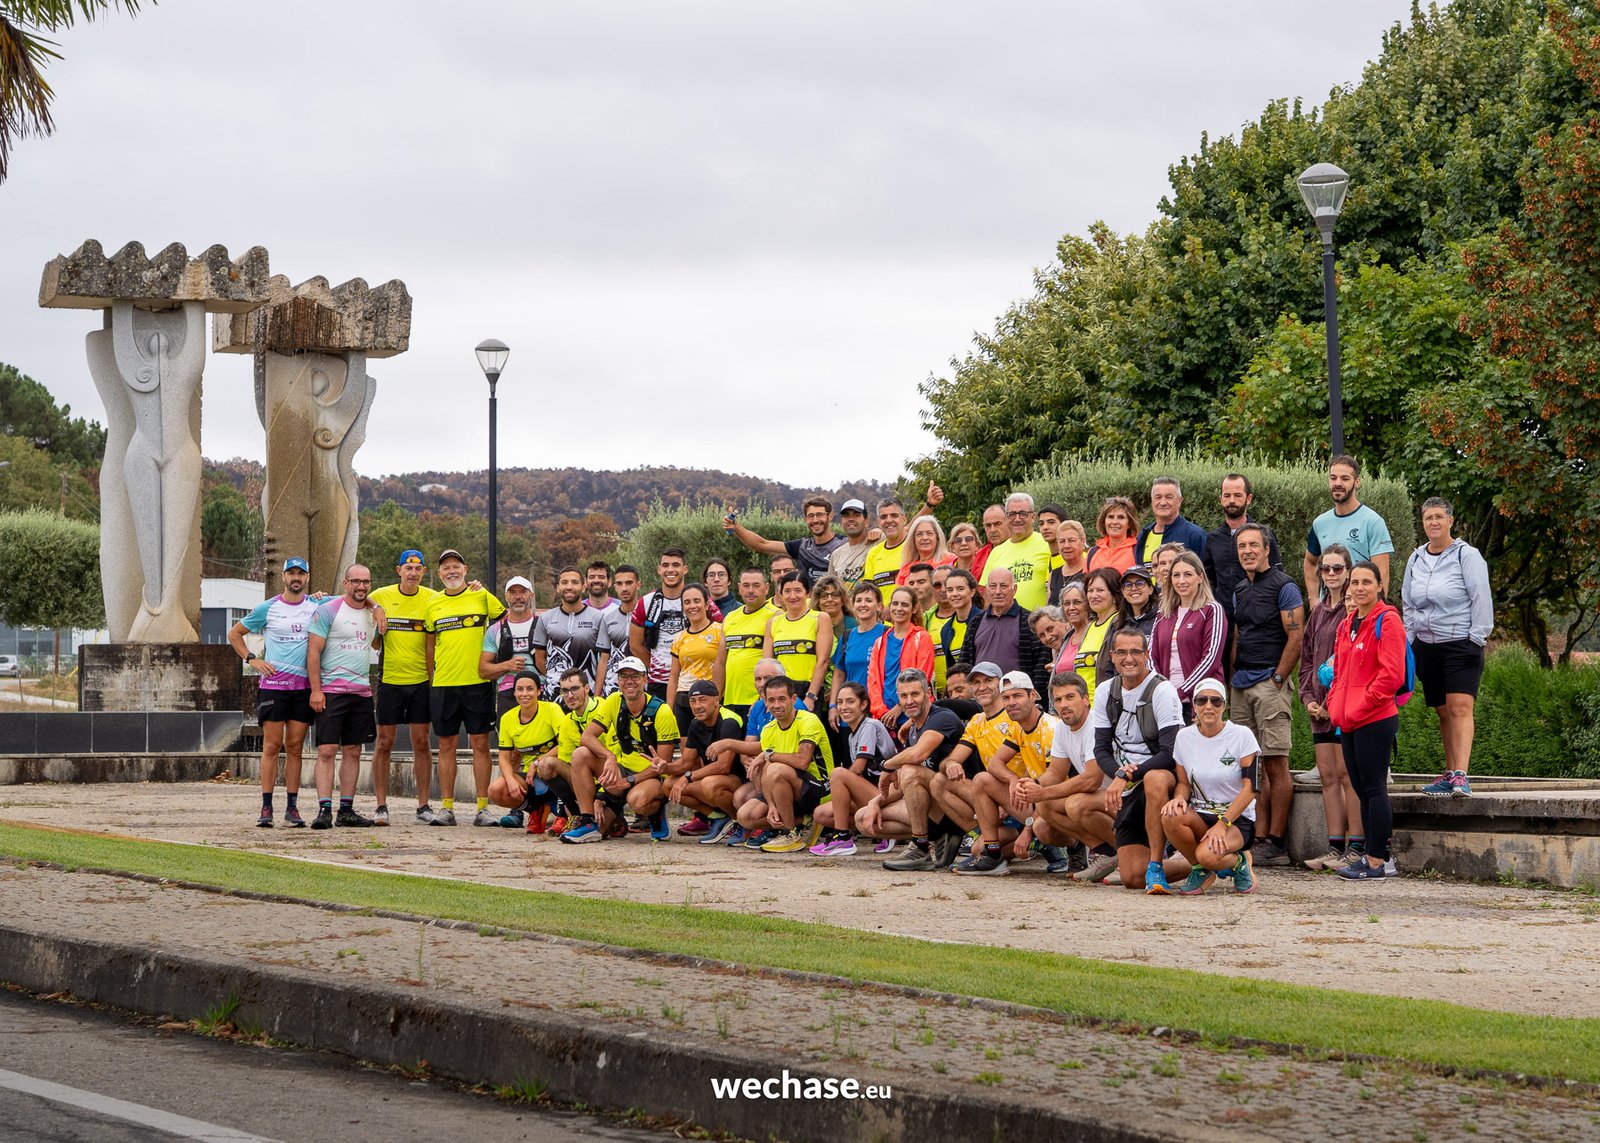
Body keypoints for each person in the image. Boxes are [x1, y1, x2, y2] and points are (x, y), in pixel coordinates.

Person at [1404, 497, 1494, 799]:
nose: (1433, 522)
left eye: (1439, 517)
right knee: (1442, 711)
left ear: (1450, 521)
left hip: (1460, 643)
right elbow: (1408, 602)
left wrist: (1477, 637)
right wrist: (1410, 638)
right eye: (1428, 517)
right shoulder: (1416, 558)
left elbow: (1481, 596)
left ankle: (1461, 775)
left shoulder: (1466, 555)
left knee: (1459, 707)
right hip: (1426, 645)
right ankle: (1449, 771)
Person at [1228, 523, 1303, 866]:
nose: (1247, 551)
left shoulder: (1285, 586)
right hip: (1241, 685)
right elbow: (1238, 635)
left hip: (1269, 682)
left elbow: (1296, 635)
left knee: (1275, 763)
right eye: (1242, 546)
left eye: (1253, 545)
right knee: (1249, 766)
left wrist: (1278, 678)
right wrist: (1231, 678)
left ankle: (1275, 840)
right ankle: (1255, 836)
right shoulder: (1240, 588)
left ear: (1267, 548)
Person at [1093, 628, 1188, 893]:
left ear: (1146, 655)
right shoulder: (1105, 691)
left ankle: (1157, 865)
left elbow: (1170, 752)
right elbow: (1100, 749)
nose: (1129, 658)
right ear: (1112, 656)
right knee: (1132, 878)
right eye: (1122, 652)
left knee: (1154, 779)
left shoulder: (1162, 690)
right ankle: (1205, 864)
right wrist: (1118, 774)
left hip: (1160, 775)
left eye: (1136, 652)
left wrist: (1124, 776)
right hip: (1129, 782)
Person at [1329, 561, 1408, 880]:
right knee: (1361, 788)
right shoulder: (1347, 622)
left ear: (1379, 586)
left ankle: (1377, 860)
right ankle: (1372, 856)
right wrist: (1336, 705)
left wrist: (1363, 704)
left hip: (1375, 718)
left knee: (1375, 788)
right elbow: (1338, 673)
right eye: (1355, 582)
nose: (1359, 588)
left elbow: (1391, 675)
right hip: (1347, 719)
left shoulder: (1388, 621)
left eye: (1366, 582)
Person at [232, 556, 319, 829]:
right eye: (291, 573)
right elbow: (235, 633)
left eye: (300, 574)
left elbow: (352, 598)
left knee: (295, 748)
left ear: (306, 578)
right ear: (283, 577)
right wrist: (252, 659)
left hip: (302, 687)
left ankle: (292, 807)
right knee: (271, 746)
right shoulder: (268, 608)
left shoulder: (316, 606)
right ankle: (266, 806)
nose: (296, 578)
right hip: (274, 687)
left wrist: (376, 607)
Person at [424, 549, 507, 827]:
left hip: (477, 683)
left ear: (465, 569)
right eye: (446, 567)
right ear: (439, 574)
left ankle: (482, 808)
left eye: (456, 566)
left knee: (480, 744)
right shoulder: (433, 604)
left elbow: (507, 621)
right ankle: (447, 808)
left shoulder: (481, 596)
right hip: (445, 684)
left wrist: (498, 661)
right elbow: (430, 645)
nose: (451, 571)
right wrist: (432, 677)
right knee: (446, 745)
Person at [561, 656, 681, 843]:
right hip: (622, 770)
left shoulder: (662, 711)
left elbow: (662, 767)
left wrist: (628, 781)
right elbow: (587, 737)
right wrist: (608, 756)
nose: (629, 681)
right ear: (618, 681)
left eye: (635, 676)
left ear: (645, 679)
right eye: (624, 676)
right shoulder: (614, 701)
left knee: (638, 800)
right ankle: (587, 822)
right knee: (580, 754)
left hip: (649, 776)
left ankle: (655, 813)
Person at [953, 672, 1062, 876]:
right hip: (1033, 799)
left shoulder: (1051, 728)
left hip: (1056, 802)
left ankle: (1062, 848)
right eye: (1006, 697)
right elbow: (995, 764)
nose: (1011, 702)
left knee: (1040, 826)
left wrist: (1028, 830)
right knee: (982, 779)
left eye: (1017, 696)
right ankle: (992, 855)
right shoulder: (1019, 727)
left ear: (1033, 695)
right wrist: (1011, 779)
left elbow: (1054, 786)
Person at [1160, 678, 1259, 894]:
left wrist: (1223, 824)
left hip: (1235, 819)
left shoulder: (1242, 736)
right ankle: (1200, 869)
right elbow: (1184, 784)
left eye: (1216, 701)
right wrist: (1178, 798)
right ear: (1194, 705)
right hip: (1201, 814)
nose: (1208, 706)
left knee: (1208, 855)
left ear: (1224, 706)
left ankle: (1238, 861)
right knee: (1170, 814)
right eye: (1202, 700)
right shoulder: (1184, 737)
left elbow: (1250, 788)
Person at [1299, 544, 1364, 869]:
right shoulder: (1318, 612)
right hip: (1318, 710)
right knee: (1327, 777)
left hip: (1345, 708)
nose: (1332, 574)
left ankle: (1356, 846)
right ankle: (1335, 846)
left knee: (1348, 774)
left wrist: (1329, 702)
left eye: (1338, 568)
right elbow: (1308, 660)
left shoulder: (1354, 611)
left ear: (1349, 571)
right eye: (1326, 568)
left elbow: (1352, 664)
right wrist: (1309, 699)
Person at [864, 669, 968, 870]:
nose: (909, 700)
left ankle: (920, 847)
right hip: (936, 807)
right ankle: (939, 837)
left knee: (910, 770)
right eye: (904, 696)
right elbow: (906, 780)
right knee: (863, 818)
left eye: (915, 694)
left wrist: (887, 765)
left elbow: (918, 755)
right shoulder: (912, 729)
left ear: (928, 693)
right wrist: (875, 801)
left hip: (958, 801)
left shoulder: (942, 717)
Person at [304, 564, 381, 829]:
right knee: (326, 750)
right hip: (331, 691)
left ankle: (345, 809)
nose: (361, 587)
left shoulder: (374, 612)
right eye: (356, 582)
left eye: (366, 582)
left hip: (360, 691)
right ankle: (324, 808)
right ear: (346, 583)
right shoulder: (328, 609)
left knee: (353, 751)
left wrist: (379, 609)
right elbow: (313, 651)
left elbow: (377, 643)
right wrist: (316, 690)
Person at [1023, 671, 1114, 881]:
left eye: (1070, 697)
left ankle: (1127, 851)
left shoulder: (1096, 724)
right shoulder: (1063, 728)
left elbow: (1092, 779)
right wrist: (1032, 784)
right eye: (1058, 699)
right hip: (1103, 798)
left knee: (1075, 804)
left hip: (1123, 797)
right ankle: (1107, 853)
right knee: (1044, 809)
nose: (1063, 704)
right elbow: (1055, 772)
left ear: (1085, 699)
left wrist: (1043, 792)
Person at [369, 549, 436, 828]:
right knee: (384, 742)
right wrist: (376, 607)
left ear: (423, 571)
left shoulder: (432, 598)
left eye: (418, 568)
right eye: (407, 568)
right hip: (390, 681)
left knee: (422, 743)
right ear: (398, 571)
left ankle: (423, 805)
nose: (412, 573)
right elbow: (359, 597)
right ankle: (381, 806)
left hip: (421, 681)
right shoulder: (383, 595)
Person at [734, 675, 835, 852]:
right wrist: (772, 804)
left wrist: (768, 755)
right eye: (771, 700)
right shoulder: (768, 730)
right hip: (790, 790)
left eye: (782, 699)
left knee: (776, 768)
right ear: (765, 702)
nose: (776, 705)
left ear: (793, 699)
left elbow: (802, 761)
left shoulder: (808, 721)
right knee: (746, 816)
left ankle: (790, 833)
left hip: (821, 788)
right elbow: (766, 770)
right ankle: (805, 821)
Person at [809, 681, 898, 855]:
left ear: (863, 704)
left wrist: (837, 783)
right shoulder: (852, 735)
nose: (843, 707)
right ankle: (884, 830)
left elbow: (857, 769)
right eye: (840, 702)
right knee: (821, 814)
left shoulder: (870, 725)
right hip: (872, 791)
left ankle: (842, 838)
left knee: (838, 774)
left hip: (890, 793)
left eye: (850, 701)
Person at [1304, 455, 1395, 600]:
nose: (1338, 483)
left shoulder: (1373, 522)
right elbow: (1310, 562)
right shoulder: (1320, 523)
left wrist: (1374, 612)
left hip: (1359, 609)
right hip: (1329, 612)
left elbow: (1382, 574)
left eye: (1345, 478)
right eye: (1333, 478)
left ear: (1356, 482)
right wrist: (1314, 600)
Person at [1150, 551, 1227, 719]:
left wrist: (1181, 691)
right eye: (1176, 575)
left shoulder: (1211, 610)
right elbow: (1150, 656)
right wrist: (1162, 689)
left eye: (1188, 574)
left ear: (1200, 577)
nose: (1181, 581)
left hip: (1201, 701)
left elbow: (1211, 658)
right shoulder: (1163, 614)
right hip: (1166, 701)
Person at [665, 679, 745, 840]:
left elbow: (723, 766)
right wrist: (663, 767)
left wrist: (688, 777)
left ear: (717, 701)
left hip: (741, 781)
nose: (697, 706)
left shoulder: (729, 721)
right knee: (668, 785)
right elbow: (686, 762)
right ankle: (718, 818)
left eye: (703, 700)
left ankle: (741, 822)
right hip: (716, 779)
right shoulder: (696, 723)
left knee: (710, 783)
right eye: (693, 701)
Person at [1203, 474, 1281, 631]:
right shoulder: (1212, 539)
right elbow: (1207, 581)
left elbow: (1277, 576)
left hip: (1257, 620)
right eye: (1227, 495)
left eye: (1238, 495)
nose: (1232, 500)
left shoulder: (1264, 534)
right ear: (1221, 499)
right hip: (1221, 622)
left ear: (1249, 498)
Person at [487, 670, 563, 829]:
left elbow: (565, 744)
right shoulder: (507, 718)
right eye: (520, 689)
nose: (524, 694)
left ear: (539, 691)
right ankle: (535, 809)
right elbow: (503, 758)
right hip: (531, 779)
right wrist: (510, 780)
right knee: (496, 790)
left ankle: (563, 813)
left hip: (558, 774)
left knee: (546, 765)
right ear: (514, 692)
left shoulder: (552, 709)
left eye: (530, 689)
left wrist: (537, 762)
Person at [958, 567, 1052, 696]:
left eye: (1003, 586)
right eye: (993, 586)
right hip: (983, 699)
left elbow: (1041, 664)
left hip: (1017, 700)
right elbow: (964, 663)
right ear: (986, 589)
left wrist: (1035, 698)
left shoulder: (1029, 621)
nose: (998, 591)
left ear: (1014, 589)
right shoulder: (975, 622)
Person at [631, 548, 707, 701]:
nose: (670, 570)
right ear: (659, 570)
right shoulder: (646, 602)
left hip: (692, 681)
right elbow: (634, 644)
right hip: (657, 682)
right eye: (665, 565)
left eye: (676, 565)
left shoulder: (698, 599)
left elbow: (717, 633)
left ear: (685, 569)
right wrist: (657, 667)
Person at [723, 496, 844, 587]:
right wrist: (736, 527)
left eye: (820, 515)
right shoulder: (802, 546)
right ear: (805, 519)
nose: (815, 520)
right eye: (811, 516)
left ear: (830, 516)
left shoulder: (843, 544)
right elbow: (762, 545)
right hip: (807, 613)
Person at [529, 568, 607, 702]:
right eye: (564, 582)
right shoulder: (545, 619)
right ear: (558, 588)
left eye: (575, 582)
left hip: (588, 693)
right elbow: (539, 660)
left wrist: (597, 695)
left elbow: (604, 660)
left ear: (584, 587)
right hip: (555, 696)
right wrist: (556, 679)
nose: (569, 587)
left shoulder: (599, 618)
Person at [764, 571, 833, 712]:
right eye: (787, 591)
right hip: (779, 692)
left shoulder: (820, 618)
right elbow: (767, 664)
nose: (792, 596)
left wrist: (811, 696)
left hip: (807, 691)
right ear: (781, 594)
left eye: (798, 590)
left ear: (808, 593)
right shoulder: (772, 623)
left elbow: (823, 661)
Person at [715, 566, 775, 722]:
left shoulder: (775, 616)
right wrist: (716, 698)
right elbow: (721, 662)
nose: (750, 590)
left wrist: (764, 697)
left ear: (766, 588)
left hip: (759, 702)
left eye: (756, 585)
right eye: (746, 585)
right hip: (730, 700)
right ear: (739, 588)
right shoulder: (730, 617)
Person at [867, 586, 935, 724]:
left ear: (914, 609)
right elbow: (873, 681)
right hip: (885, 717)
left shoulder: (921, 637)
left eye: (904, 605)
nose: (899, 608)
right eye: (895, 603)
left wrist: (899, 707)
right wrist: (882, 712)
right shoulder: (880, 642)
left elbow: (922, 676)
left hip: (914, 716)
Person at [980, 492, 1052, 612]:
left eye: (1023, 514)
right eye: (1012, 514)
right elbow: (988, 597)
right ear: (1007, 518)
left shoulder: (1047, 544)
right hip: (1005, 625)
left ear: (1033, 517)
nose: (1017, 519)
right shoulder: (996, 552)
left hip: (1038, 624)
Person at [667, 583, 723, 732]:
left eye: (697, 601)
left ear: (706, 605)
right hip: (684, 699)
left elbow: (724, 666)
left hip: (710, 699)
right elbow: (673, 676)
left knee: (712, 750)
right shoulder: (679, 638)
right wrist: (668, 710)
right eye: (687, 602)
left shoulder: (720, 631)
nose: (692, 606)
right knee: (688, 753)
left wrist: (719, 698)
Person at [482, 575, 539, 716]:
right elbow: (483, 670)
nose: (518, 597)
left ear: (532, 595)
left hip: (540, 690)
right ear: (506, 596)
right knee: (507, 738)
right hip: (508, 693)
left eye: (523, 592)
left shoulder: (544, 626)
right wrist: (507, 665)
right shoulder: (495, 630)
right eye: (513, 592)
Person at [926, 569, 980, 695]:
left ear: (972, 591)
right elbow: (950, 667)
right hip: (959, 694)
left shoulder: (983, 621)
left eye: (960, 589)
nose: (954, 594)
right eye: (950, 590)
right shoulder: (946, 629)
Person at [1136, 476, 1208, 565]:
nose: (1163, 503)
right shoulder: (1143, 536)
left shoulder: (1195, 535)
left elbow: (1205, 574)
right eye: (1158, 497)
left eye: (1169, 497)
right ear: (1152, 501)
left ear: (1179, 501)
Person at [597, 564, 642, 696]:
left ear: (638, 585)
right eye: (620, 584)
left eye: (629, 583)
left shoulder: (649, 615)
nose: (624, 588)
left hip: (642, 685)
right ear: (615, 587)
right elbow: (604, 659)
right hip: (613, 688)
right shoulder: (607, 618)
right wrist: (596, 696)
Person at [1076, 568, 1121, 699]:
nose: (1094, 595)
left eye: (1100, 590)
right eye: (1090, 591)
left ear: (1114, 594)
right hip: (1085, 709)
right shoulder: (1089, 627)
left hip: (1105, 706)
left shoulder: (1119, 624)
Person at [862, 498, 910, 603]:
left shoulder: (915, 546)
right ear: (879, 522)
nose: (888, 520)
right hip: (882, 618)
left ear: (904, 519)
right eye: (883, 517)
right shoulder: (873, 553)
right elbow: (869, 592)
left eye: (894, 515)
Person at [824, 498, 876, 588]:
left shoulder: (879, 541)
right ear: (842, 522)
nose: (851, 519)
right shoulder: (836, 555)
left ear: (866, 522)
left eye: (856, 515)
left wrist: (880, 531)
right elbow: (831, 589)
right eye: (846, 516)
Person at [1086, 497, 1139, 576]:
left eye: (1121, 517)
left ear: (1130, 524)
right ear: (1104, 522)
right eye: (1110, 517)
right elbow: (1085, 584)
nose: (1115, 522)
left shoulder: (1138, 551)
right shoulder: (1092, 553)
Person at [897, 516, 954, 586]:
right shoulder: (906, 567)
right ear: (913, 540)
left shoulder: (951, 560)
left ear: (937, 537)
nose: (925, 538)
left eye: (929, 533)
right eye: (919, 534)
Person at [1047, 520, 1089, 605]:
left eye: (1071, 540)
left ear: (1083, 542)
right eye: (1062, 541)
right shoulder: (1054, 575)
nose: (1066, 546)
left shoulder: (1090, 570)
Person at [1055, 582, 1089, 682]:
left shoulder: (1095, 633)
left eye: (1077, 602)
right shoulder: (1067, 638)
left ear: (1087, 604)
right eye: (1066, 603)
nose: (1071, 608)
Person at [970, 504, 1008, 583]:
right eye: (988, 525)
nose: (992, 530)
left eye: (997, 524)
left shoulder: (1022, 548)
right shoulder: (980, 555)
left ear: (1008, 523)